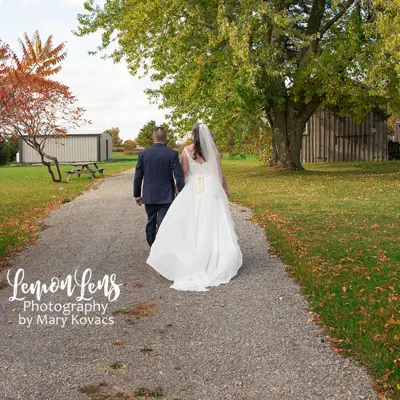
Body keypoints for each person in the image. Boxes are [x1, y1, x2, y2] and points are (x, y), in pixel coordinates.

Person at [146, 123, 243, 291]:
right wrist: (225, 189)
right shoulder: (213, 152)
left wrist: (178, 191)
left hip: (193, 188)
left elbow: (184, 174)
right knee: (213, 221)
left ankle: (193, 254)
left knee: (192, 221)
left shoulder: (186, 151)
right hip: (211, 187)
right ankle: (215, 254)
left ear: (193, 134)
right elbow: (220, 173)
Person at [133, 126, 185, 247]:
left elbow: (138, 176)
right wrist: (181, 192)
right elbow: (179, 175)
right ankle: (161, 248)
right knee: (163, 221)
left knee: (151, 220)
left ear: (153, 138)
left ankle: (153, 246)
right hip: (166, 195)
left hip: (149, 194)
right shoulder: (172, 154)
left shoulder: (143, 154)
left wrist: (137, 195)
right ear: (165, 139)